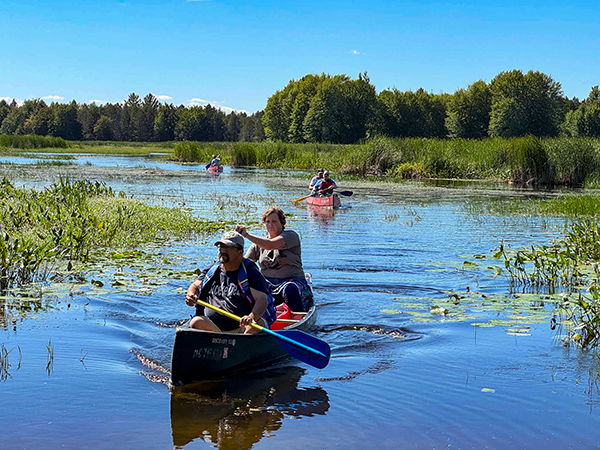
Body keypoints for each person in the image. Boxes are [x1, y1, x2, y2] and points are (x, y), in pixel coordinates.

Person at [185, 231, 276, 334]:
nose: (223, 250)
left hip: (242, 329)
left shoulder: (250, 272)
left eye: (227, 247)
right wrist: (191, 295)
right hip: (214, 328)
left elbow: (261, 299)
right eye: (221, 247)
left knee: (256, 325)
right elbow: (194, 286)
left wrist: (251, 317)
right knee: (196, 322)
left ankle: (242, 346)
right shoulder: (212, 269)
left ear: (240, 251)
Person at [235, 207, 313, 313]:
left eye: (274, 221)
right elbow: (243, 263)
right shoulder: (257, 245)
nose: (270, 224)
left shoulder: (291, 236)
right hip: (267, 283)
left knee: (290, 289)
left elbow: (271, 245)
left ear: (281, 222)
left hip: (292, 281)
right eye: (267, 222)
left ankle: (298, 316)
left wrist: (246, 235)